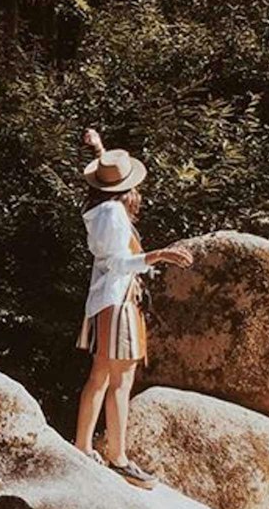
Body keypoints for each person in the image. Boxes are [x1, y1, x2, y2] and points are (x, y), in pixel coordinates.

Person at [74, 127, 194, 488]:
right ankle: (117, 456)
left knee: (104, 376)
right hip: (118, 297)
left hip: (111, 299)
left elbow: (108, 172)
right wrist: (159, 255)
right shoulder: (112, 213)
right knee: (118, 379)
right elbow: (116, 263)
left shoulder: (102, 206)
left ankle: (85, 447)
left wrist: (98, 149)